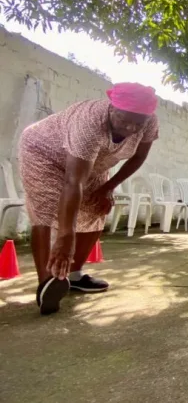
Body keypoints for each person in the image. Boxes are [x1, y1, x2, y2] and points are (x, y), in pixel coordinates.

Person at [18, 83, 159, 315]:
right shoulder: (90, 122)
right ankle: (47, 283)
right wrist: (65, 237)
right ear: (113, 109)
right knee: (45, 210)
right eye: (125, 120)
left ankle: (72, 276)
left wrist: (108, 187)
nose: (132, 127)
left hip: (93, 160)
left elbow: (138, 157)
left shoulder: (149, 121)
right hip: (43, 151)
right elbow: (73, 183)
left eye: (138, 123)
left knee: (96, 208)